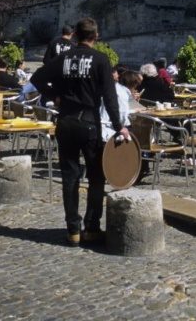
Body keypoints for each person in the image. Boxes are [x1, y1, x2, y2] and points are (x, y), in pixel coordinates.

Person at [31, 17, 130, 246]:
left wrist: (54, 94)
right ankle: (92, 228)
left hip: (66, 120)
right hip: (89, 121)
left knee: (70, 176)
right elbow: (110, 98)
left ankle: (72, 230)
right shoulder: (101, 59)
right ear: (96, 36)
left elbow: (37, 78)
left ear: (74, 35)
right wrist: (118, 127)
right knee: (96, 177)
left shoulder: (63, 57)